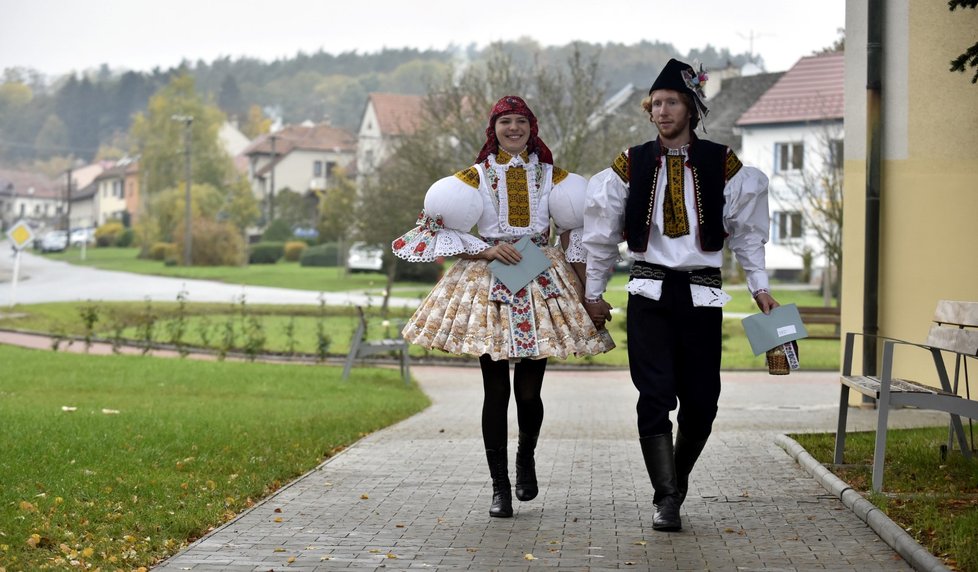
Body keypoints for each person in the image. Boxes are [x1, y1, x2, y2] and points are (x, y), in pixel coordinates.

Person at [392, 95, 615, 518]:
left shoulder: (555, 177)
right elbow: (442, 231)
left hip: (543, 282)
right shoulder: (472, 179)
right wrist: (487, 250)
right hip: (490, 284)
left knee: (529, 392)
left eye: (521, 122)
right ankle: (500, 487)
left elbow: (574, 237)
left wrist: (591, 295)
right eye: (505, 122)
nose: (514, 128)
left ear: (533, 127)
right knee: (495, 390)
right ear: (492, 129)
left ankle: (525, 456)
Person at [582, 59, 779, 532]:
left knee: (703, 400)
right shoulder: (628, 165)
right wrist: (593, 294)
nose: (663, 111)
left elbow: (748, 234)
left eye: (672, 102)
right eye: (656, 104)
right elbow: (601, 237)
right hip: (649, 290)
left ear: (691, 107)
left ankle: (676, 483)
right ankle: (667, 497)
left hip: (702, 292)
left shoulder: (724, 164)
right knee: (654, 394)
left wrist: (761, 287)